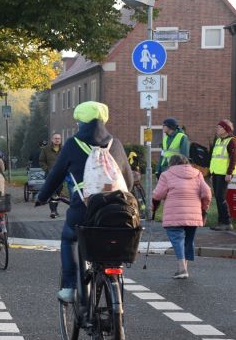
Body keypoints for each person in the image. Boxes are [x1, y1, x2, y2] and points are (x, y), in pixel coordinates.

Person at [35, 101, 133, 303]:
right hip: (117, 212)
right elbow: (129, 181)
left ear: (80, 122)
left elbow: (55, 176)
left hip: (83, 211)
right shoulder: (116, 144)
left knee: (68, 239)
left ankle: (70, 287)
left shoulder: (72, 144)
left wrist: (42, 197)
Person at [151, 154, 212, 279]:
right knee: (188, 241)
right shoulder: (197, 173)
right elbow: (206, 192)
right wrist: (204, 208)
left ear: (171, 164)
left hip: (174, 214)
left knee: (177, 239)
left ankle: (181, 268)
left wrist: (153, 208)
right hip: (193, 214)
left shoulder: (166, 175)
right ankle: (185, 268)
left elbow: (157, 195)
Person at [209, 119, 236, 231]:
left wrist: (229, 173)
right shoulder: (218, 140)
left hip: (225, 174)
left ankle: (227, 222)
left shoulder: (232, 141)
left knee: (221, 197)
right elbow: (215, 158)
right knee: (217, 197)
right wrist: (212, 173)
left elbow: (233, 159)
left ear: (226, 129)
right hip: (217, 173)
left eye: (219, 127)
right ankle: (221, 222)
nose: (217, 129)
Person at [39, 133, 63, 218]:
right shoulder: (46, 149)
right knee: (52, 193)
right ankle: (53, 211)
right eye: (56, 138)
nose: (57, 140)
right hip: (50, 175)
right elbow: (41, 161)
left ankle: (55, 210)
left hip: (61, 175)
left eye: (59, 138)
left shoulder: (64, 149)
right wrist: (47, 169)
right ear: (52, 139)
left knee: (57, 194)